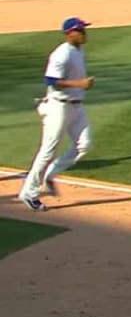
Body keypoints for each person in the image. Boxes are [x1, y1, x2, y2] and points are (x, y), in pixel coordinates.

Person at [18, 17, 96, 211]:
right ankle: (29, 193)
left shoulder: (78, 50)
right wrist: (79, 84)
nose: (84, 33)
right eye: (80, 30)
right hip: (58, 107)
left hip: (76, 106)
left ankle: (50, 175)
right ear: (70, 33)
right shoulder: (61, 54)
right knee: (48, 150)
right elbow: (50, 80)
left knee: (84, 145)